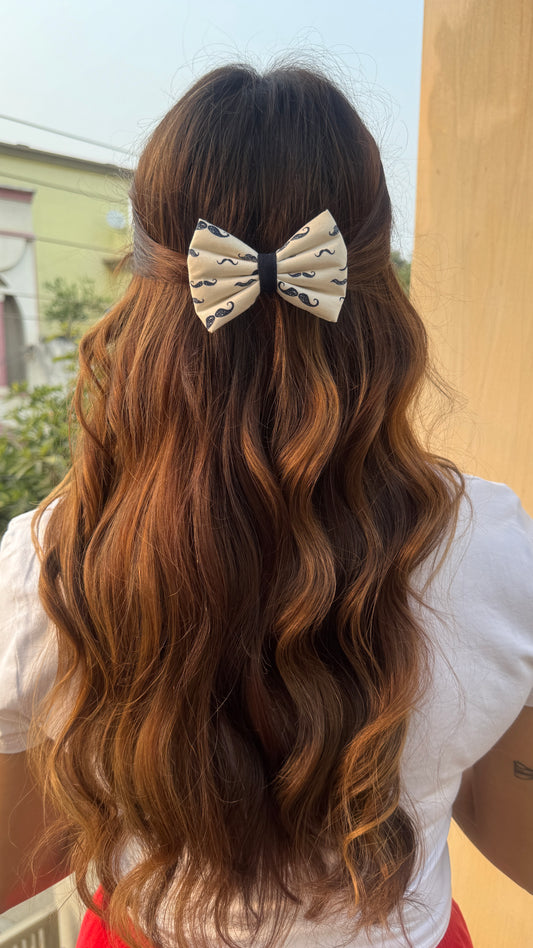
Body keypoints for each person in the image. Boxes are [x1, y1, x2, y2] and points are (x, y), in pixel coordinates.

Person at [0, 63, 532, 948]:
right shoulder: (493, 548)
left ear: (145, 291)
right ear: (377, 288)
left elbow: (21, 852)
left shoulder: (52, 561)